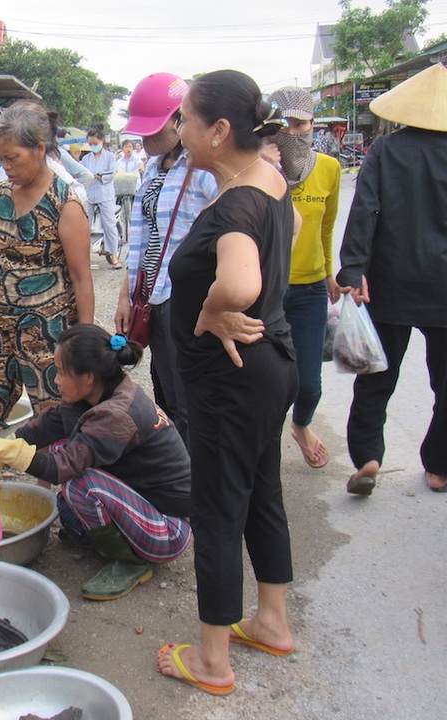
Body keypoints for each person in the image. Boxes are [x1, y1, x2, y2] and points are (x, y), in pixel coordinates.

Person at [156, 70, 299, 696]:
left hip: (231, 379)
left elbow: (242, 282)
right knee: (261, 489)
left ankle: (212, 660)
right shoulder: (268, 180)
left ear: (217, 130)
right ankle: (270, 620)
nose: (178, 129)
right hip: (270, 366)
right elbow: (283, 241)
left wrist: (213, 309)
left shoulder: (238, 200)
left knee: (217, 507)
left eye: (185, 119)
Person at [0, 324, 191, 600]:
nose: (56, 381)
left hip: (169, 528)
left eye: (62, 373)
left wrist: (4, 451)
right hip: (142, 506)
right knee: (65, 470)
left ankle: (131, 562)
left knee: (79, 482)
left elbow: (59, 469)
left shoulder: (117, 414)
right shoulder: (98, 392)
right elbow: (44, 429)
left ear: (88, 377)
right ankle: (110, 539)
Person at [336, 63, 447, 496]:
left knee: (376, 376)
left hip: (390, 282)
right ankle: (439, 467)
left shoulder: (387, 150)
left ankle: (368, 457)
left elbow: (365, 210)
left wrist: (353, 269)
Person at [0, 100, 94, 432]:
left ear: (39, 150)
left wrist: (83, 342)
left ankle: (56, 483)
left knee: (53, 418)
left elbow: (81, 277)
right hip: (0, 326)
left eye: (12, 158)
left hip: (49, 332)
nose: (6, 167)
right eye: (1, 159)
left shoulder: (66, 203)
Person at [114, 72, 218, 443]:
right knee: (165, 387)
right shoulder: (154, 169)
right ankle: (178, 467)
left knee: (188, 397)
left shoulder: (205, 171)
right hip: (153, 298)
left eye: (152, 129)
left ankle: (192, 482)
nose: (143, 139)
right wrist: (127, 295)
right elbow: (141, 241)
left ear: (180, 119)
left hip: (186, 299)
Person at [264, 86, 341, 469]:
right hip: (267, 291)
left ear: (313, 125)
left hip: (310, 288)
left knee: (309, 384)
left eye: (302, 124)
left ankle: (302, 425)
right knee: (272, 382)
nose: (294, 133)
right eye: (286, 124)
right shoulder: (259, 170)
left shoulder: (329, 168)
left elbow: (327, 229)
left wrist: (329, 273)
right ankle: (266, 450)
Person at [79, 124, 122, 268]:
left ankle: (114, 256)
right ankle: (84, 258)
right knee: (84, 225)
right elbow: (82, 175)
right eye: (90, 144)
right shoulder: (85, 159)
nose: (92, 146)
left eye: (95, 144)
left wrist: (98, 177)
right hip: (89, 194)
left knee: (109, 224)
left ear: (102, 141)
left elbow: (111, 174)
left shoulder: (110, 157)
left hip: (105, 194)